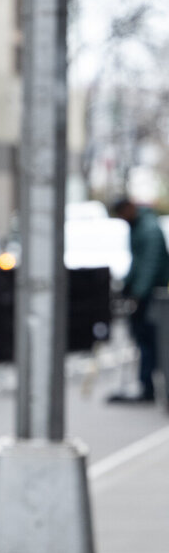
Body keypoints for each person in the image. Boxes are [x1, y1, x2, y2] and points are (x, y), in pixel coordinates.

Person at [109, 171, 169, 404]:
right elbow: (137, 263)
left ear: (130, 208)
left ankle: (148, 387)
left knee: (149, 341)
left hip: (153, 297)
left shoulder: (148, 229)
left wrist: (137, 293)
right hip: (148, 294)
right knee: (146, 341)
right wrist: (126, 286)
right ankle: (147, 385)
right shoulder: (139, 227)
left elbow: (150, 264)